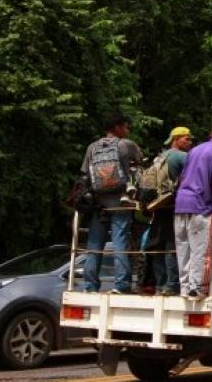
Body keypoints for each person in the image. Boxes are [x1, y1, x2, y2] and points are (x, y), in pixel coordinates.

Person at [80, 112, 144, 294]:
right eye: (126, 127)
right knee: (119, 242)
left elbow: (85, 173)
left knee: (94, 245)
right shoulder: (125, 144)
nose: (127, 130)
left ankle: (90, 286)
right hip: (120, 202)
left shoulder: (92, 147)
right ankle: (121, 284)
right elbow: (141, 161)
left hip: (98, 204)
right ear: (117, 127)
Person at [174, 118, 212, 299]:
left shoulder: (194, 150)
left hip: (181, 204)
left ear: (211, 132)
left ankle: (185, 288)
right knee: (201, 250)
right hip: (201, 206)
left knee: (183, 250)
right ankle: (198, 288)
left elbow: (182, 177)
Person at [151, 126, 192, 296]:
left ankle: (160, 285)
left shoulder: (160, 157)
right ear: (176, 139)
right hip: (173, 205)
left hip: (157, 204)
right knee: (172, 244)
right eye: (186, 138)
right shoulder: (182, 156)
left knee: (158, 245)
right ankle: (172, 284)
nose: (190, 142)